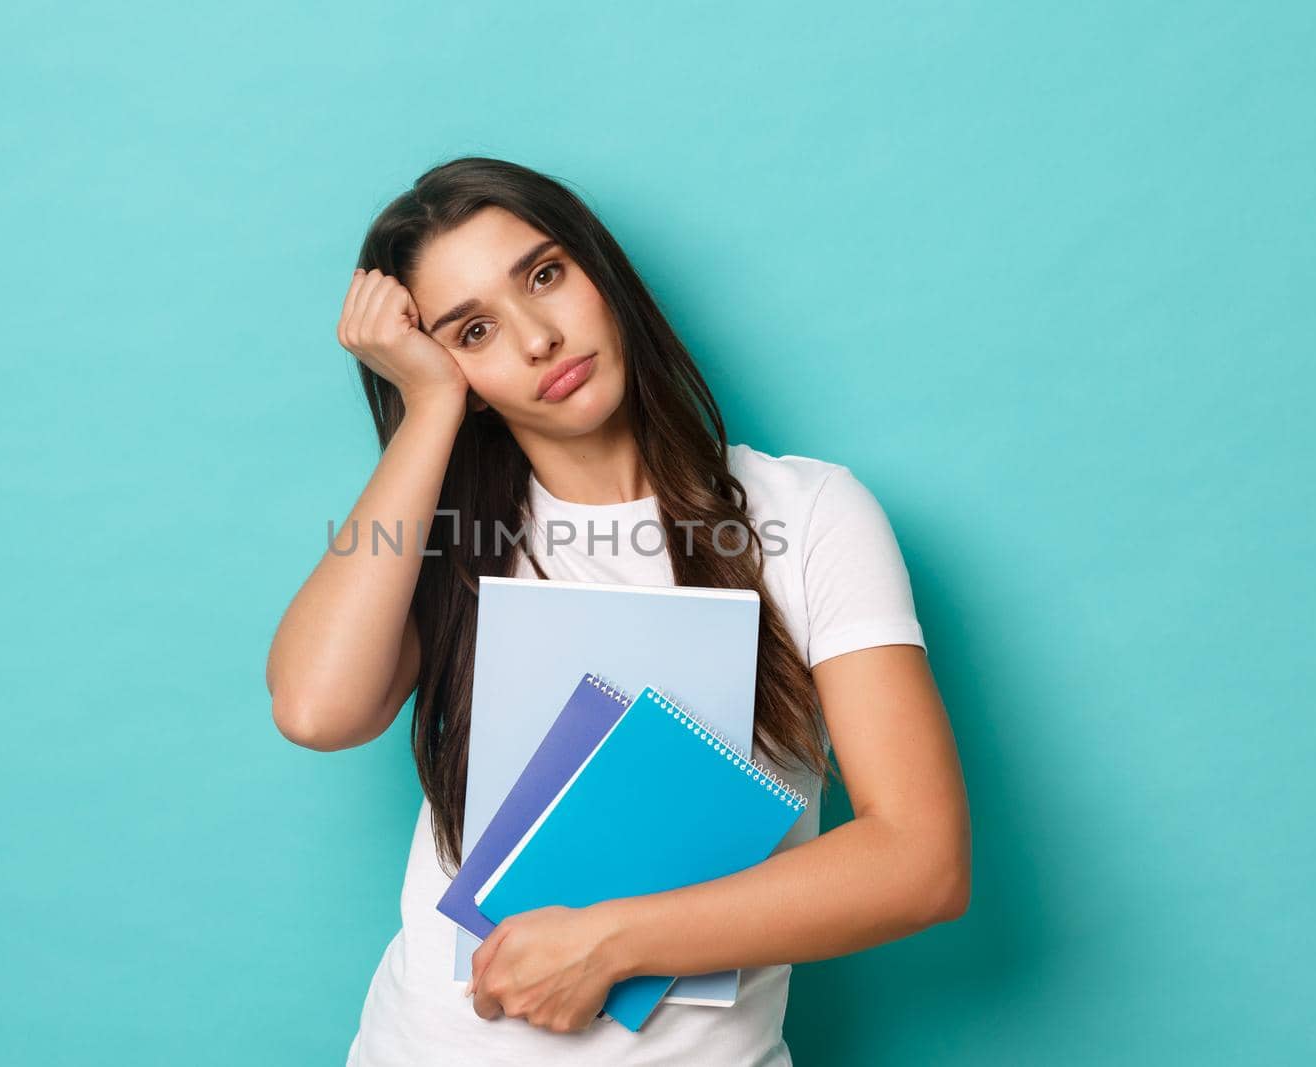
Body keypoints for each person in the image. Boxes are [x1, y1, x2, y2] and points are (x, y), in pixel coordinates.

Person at [264, 156, 971, 1065]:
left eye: (546, 276)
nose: (535, 340)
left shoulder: (808, 515)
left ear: (604, 273)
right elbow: (316, 709)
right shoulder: (443, 543)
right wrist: (429, 405)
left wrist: (614, 941)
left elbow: (922, 859)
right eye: (472, 332)